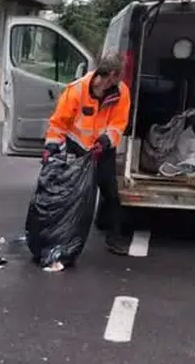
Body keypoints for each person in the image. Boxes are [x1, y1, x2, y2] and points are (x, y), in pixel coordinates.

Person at [42, 53, 132, 255]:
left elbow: (118, 124)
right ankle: (64, 236)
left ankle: (114, 236)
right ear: (112, 74)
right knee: (73, 195)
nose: (123, 78)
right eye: (121, 74)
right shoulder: (77, 90)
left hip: (103, 150)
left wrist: (105, 141)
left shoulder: (121, 93)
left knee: (110, 193)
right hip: (78, 150)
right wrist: (51, 147)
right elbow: (59, 123)